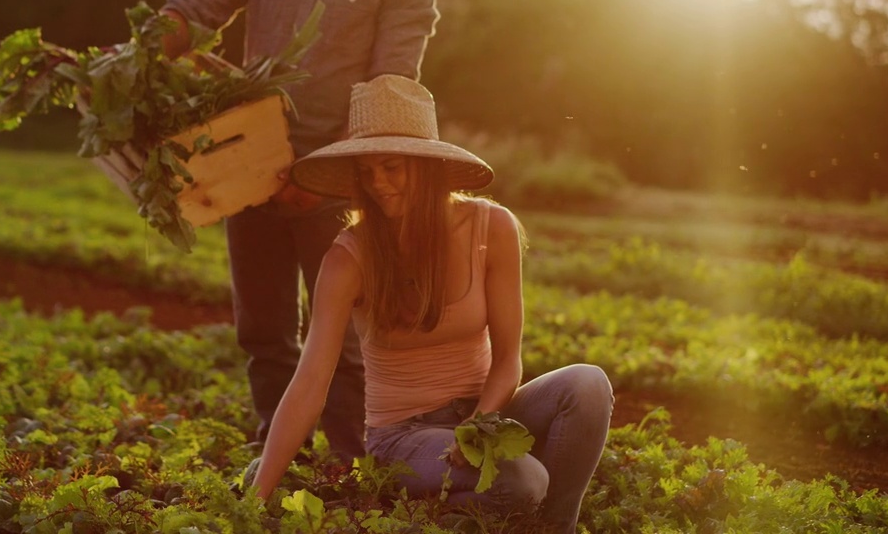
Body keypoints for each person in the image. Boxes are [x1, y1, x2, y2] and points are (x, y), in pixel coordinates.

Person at [160, 0, 451, 461]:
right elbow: (200, 8)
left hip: (336, 175)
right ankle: (278, 450)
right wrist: (141, 51)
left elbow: (388, 86)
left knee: (342, 334)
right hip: (249, 160)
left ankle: (353, 463)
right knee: (262, 328)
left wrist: (320, 174)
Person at [249, 75, 614, 534]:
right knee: (521, 479)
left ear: (425, 166)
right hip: (404, 436)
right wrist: (256, 497)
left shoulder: (491, 227)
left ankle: (552, 526)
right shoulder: (349, 258)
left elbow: (507, 360)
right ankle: (465, 507)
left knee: (587, 384)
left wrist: (480, 426)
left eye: (392, 167)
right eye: (367, 171)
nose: (378, 183)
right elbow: (309, 385)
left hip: (487, 410)